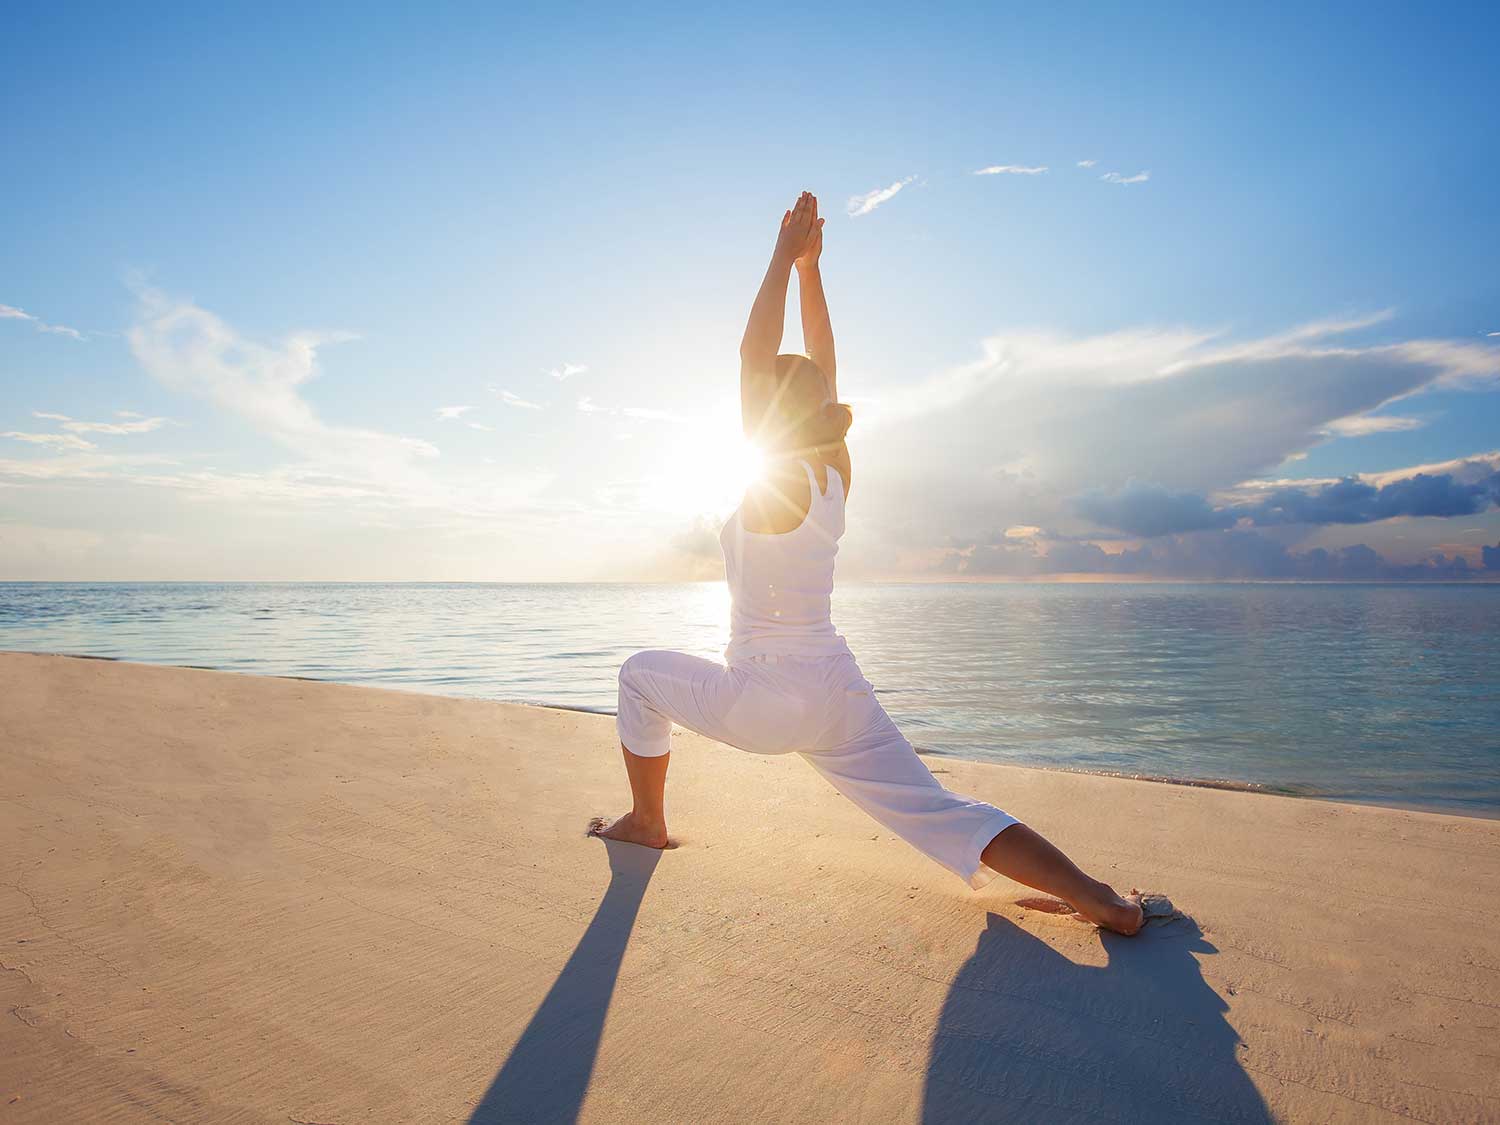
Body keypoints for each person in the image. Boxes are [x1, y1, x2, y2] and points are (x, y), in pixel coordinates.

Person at [591, 191, 1144, 936]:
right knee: (943, 810)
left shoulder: (779, 477)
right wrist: (814, 272)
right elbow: (824, 368)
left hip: (764, 691)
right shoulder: (831, 475)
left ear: (773, 415)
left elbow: (757, 355)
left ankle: (647, 821)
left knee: (636, 676)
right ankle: (1100, 898)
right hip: (838, 688)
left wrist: (783, 256)